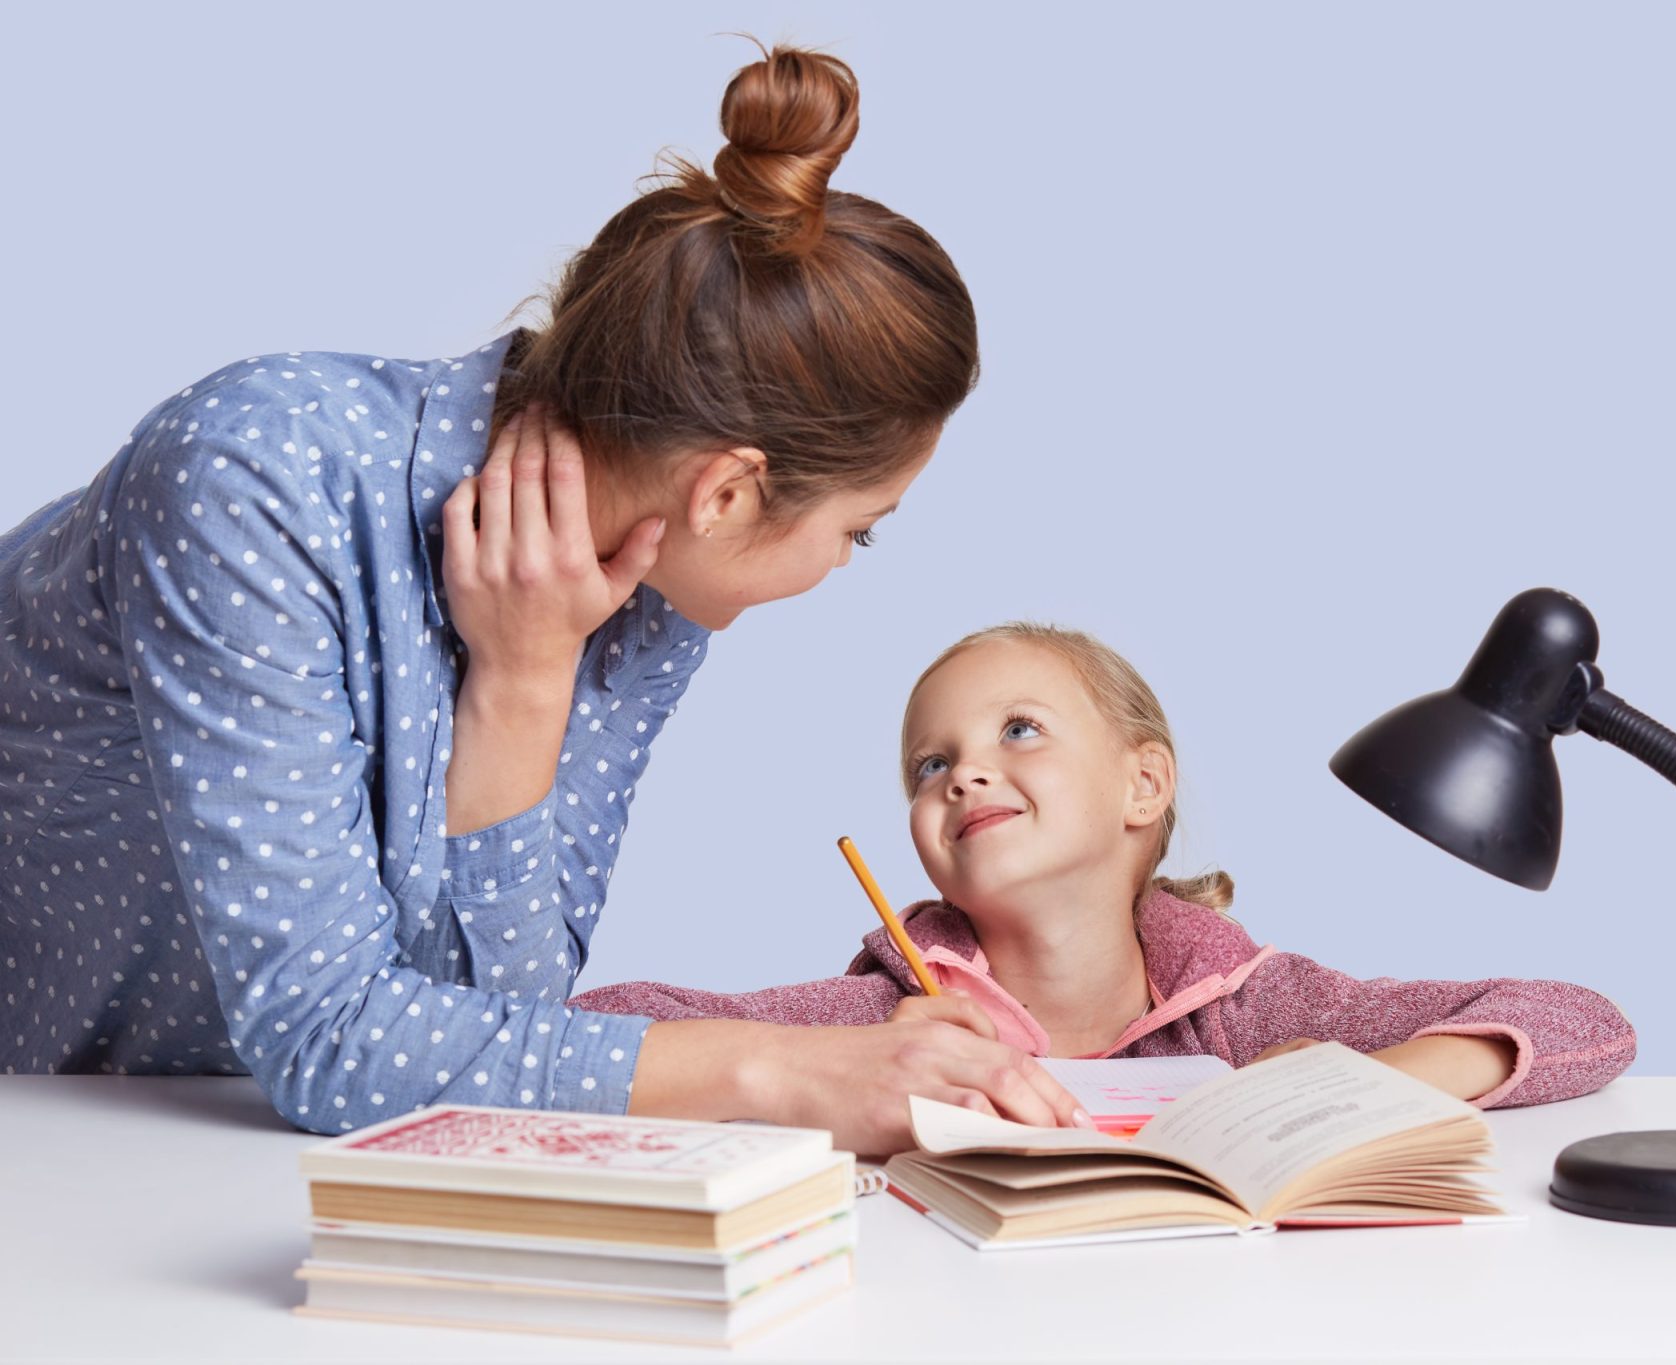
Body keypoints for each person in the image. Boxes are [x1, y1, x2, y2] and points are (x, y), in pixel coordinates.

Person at [0, 44, 1091, 1153]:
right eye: (858, 528)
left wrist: (523, 682)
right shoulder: (252, 478)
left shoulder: (652, 587)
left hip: (194, 1148)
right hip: (48, 1130)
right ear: (728, 491)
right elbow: (333, 1041)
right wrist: (785, 1069)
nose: (844, 564)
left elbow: (501, 1037)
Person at [572, 623, 1638, 1140]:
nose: (965, 773)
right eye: (928, 765)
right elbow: (597, 1026)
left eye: (1018, 731)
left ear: (1143, 784)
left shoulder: (1254, 1007)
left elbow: (1584, 1022)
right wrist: (798, 1072)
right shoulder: (882, 1019)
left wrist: (1371, 1084)